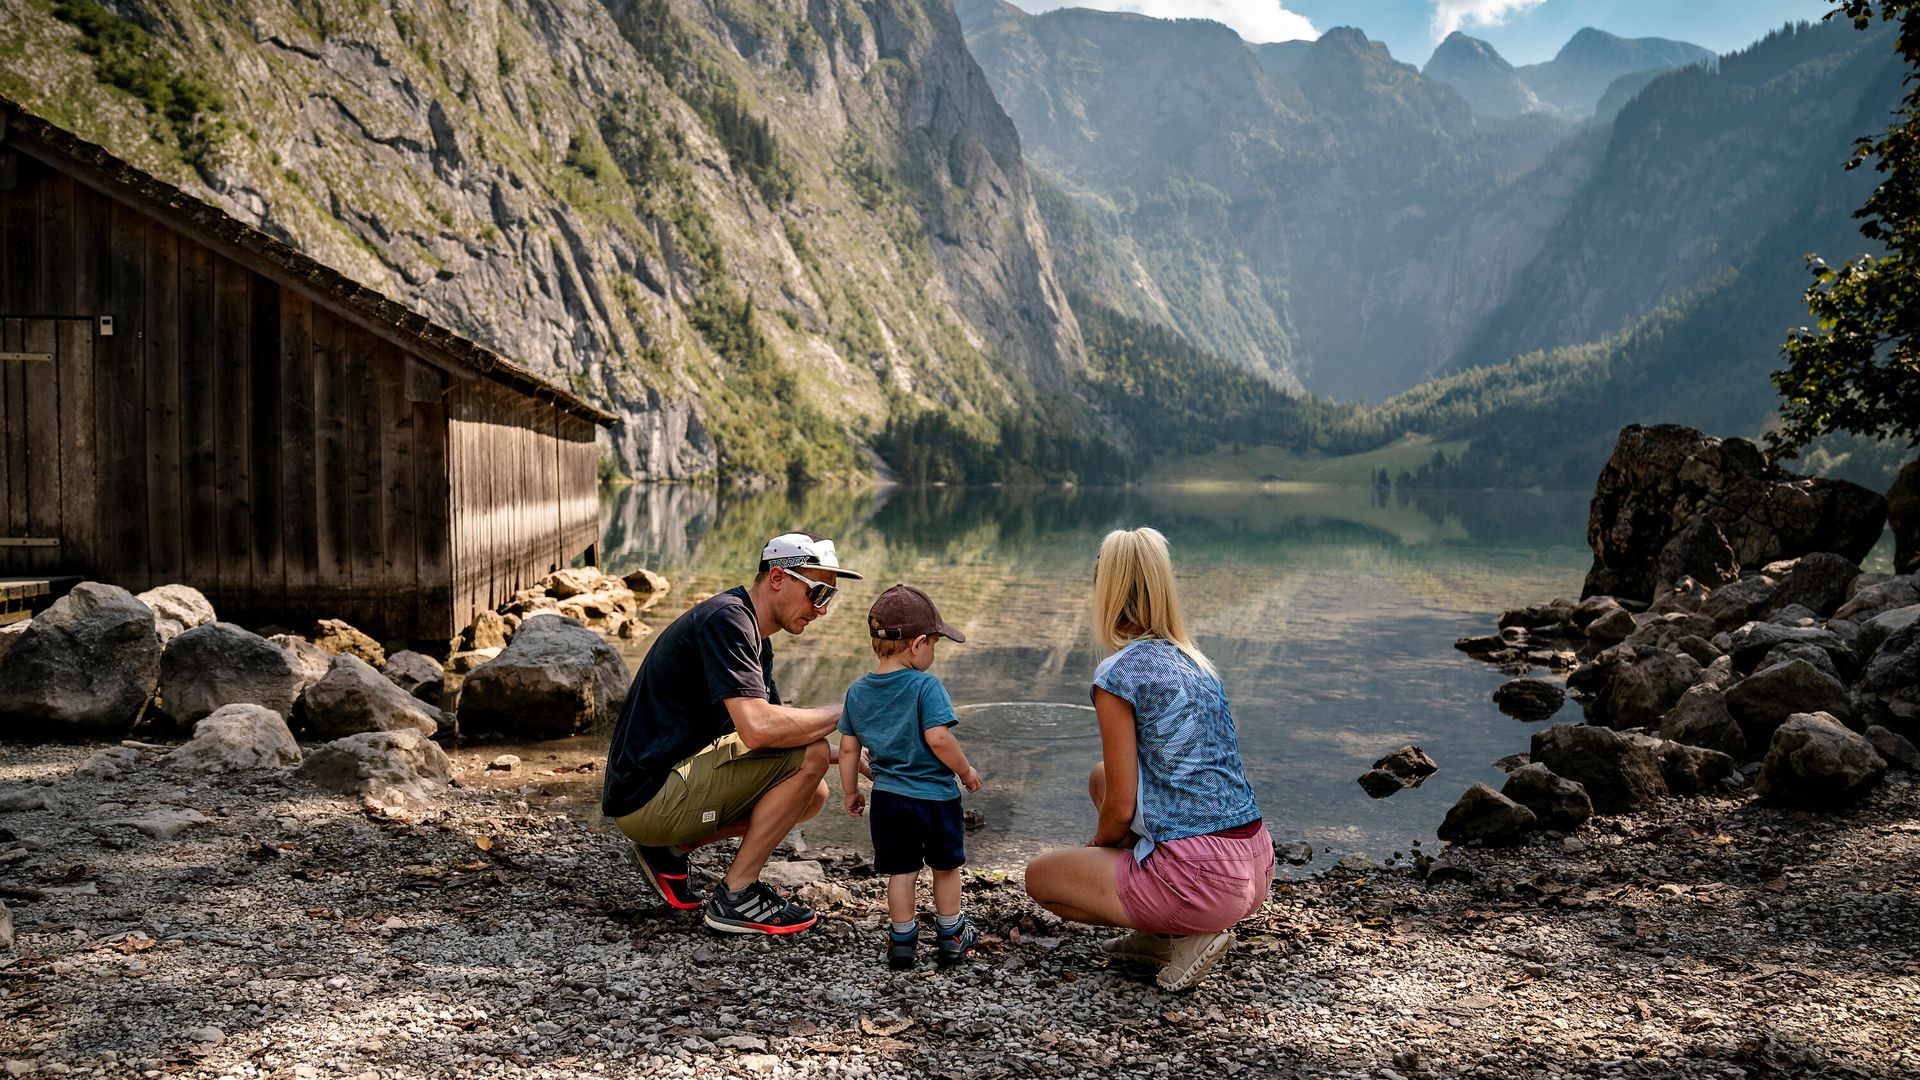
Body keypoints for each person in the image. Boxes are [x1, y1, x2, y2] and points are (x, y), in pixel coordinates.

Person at [1023, 527, 1274, 991]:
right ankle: (1162, 938)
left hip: (1201, 880)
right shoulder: (1196, 662)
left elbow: (1120, 808)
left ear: (1106, 589)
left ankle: (1186, 929)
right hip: (1255, 864)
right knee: (1101, 776)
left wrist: (1098, 849)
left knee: (1041, 877)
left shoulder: (1119, 674)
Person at [603, 531, 862, 936]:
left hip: (654, 788)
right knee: (808, 759)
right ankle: (737, 895)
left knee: (812, 793)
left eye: (828, 598)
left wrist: (849, 753)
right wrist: (849, 712)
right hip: (646, 798)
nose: (821, 610)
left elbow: (777, 734)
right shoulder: (727, 620)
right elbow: (758, 729)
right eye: (818, 593)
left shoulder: (753, 636)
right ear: (778, 577)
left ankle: (670, 849)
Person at [838, 584, 982, 970]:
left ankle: (902, 941)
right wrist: (965, 771)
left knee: (901, 871)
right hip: (935, 797)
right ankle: (951, 935)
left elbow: (849, 749)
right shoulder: (926, 686)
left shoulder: (857, 692)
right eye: (934, 643)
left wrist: (851, 791)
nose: (933, 652)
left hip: (887, 799)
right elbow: (938, 737)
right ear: (917, 645)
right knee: (945, 867)